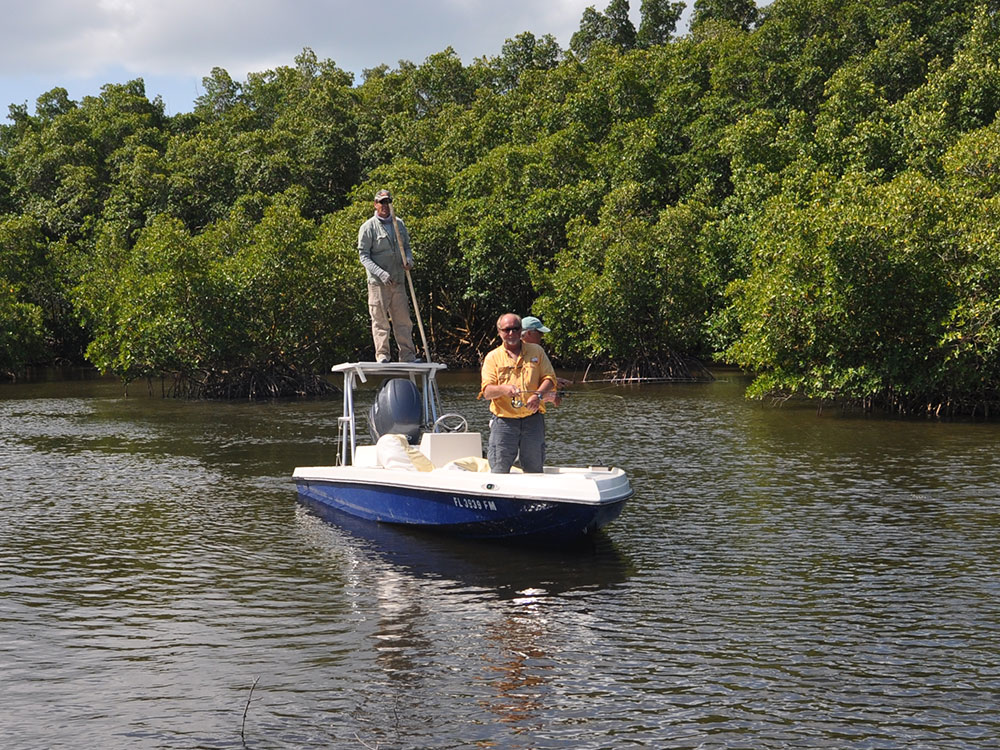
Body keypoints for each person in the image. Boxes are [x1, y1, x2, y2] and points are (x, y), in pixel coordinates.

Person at [479, 313, 557, 473]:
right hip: (504, 422)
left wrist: (538, 395)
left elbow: (550, 378)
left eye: (515, 329)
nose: (511, 333)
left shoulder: (537, 351)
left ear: (521, 330)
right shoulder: (492, 358)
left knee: (534, 469)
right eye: (507, 329)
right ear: (499, 332)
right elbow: (487, 392)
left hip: (533, 420)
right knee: (499, 470)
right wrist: (503, 389)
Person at [358, 188, 418, 363]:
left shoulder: (399, 224)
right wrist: (381, 274)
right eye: (382, 202)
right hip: (378, 284)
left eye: (388, 202)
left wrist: (409, 260)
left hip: (398, 281)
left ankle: (407, 356)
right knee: (380, 322)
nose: (385, 205)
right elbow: (364, 256)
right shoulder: (368, 227)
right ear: (375, 204)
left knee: (404, 321)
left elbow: (406, 247)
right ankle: (383, 355)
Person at [520, 316, 573, 398]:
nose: (542, 336)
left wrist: (553, 382)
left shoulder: (538, 352)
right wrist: (553, 383)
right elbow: (520, 382)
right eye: (540, 333)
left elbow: (533, 378)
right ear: (529, 333)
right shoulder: (512, 352)